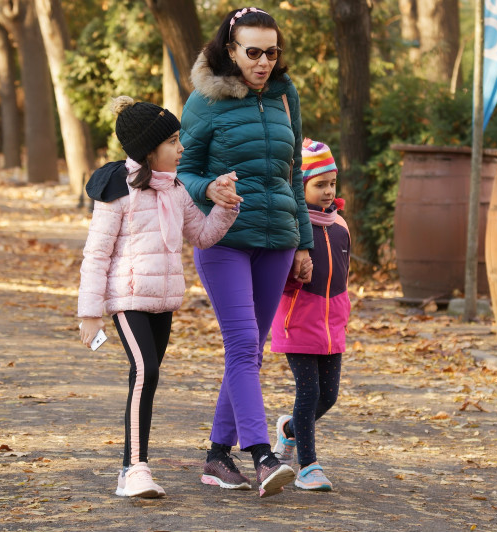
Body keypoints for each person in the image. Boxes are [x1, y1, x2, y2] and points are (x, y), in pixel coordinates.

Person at [177, 7, 314, 498]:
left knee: (251, 350)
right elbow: (181, 170)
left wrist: (303, 241)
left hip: (276, 239)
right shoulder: (205, 100)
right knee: (241, 348)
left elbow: (293, 172)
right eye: (252, 52)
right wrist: (208, 188)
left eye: (271, 53)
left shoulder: (284, 95)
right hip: (225, 240)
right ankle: (261, 455)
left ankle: (217, 456)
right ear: (230, 50)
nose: (262, 62)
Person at [77, 96, 239, 499]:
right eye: (172, 141)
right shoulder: (118, 191)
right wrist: (90, 313)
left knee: (145, 380)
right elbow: (96, 254)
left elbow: (200, 236)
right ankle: (136, 469)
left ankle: (129, 468)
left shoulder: (176, 190)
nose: (181, 148)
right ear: (149, 150)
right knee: (146, 371)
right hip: (127, 297)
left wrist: (224, 207)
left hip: (163, 299)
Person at [270, 139, 351, 492]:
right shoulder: (292, 228)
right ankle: (308, 465)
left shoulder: (341, 226)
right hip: (299, 321)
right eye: (320, 184)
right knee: (308, 391)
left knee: (328, 396)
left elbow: (344, 275)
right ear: (301, 187)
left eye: (332, 183)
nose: (328, 191)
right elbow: (280, 277)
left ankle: (289, 430)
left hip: (332, 325)